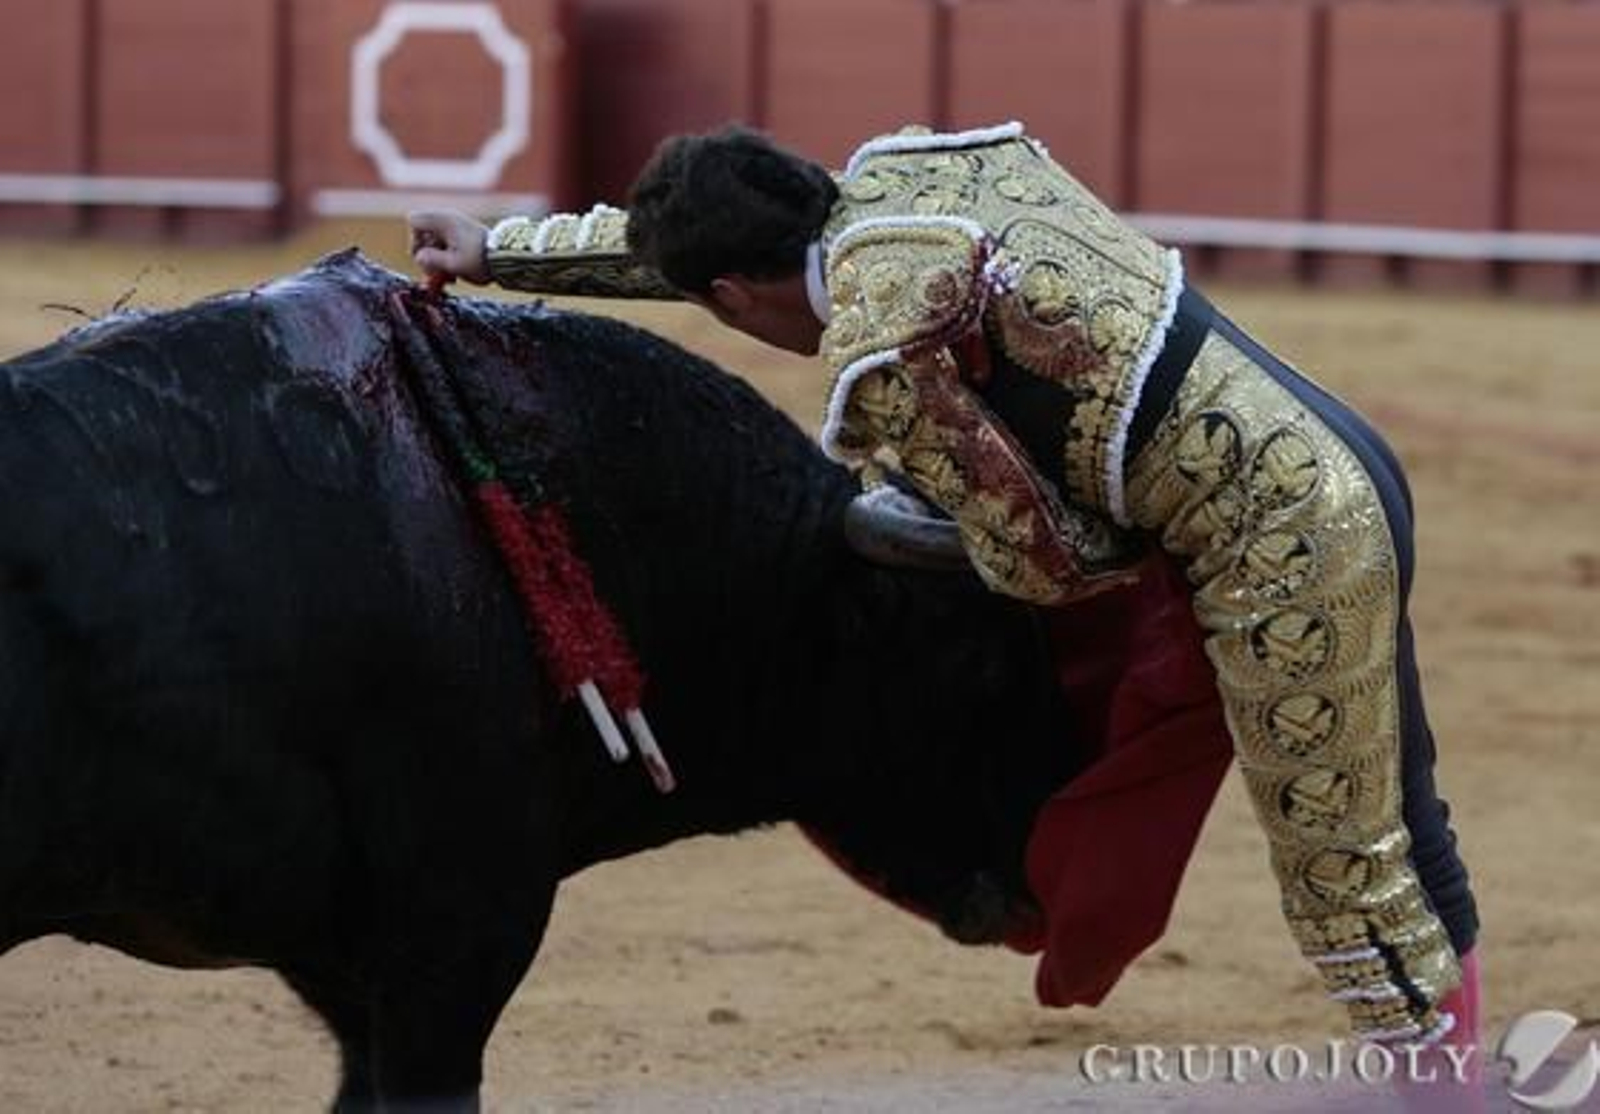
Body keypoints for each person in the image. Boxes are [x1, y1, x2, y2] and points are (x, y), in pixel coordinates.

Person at [408, 122, 1480, 1052]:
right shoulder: (897, 186)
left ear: (731, 299)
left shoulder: (890, 360)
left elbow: (1049, 565)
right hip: (1339, 457)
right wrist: (501, 250)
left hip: (1281, 540)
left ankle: (1437, 1095)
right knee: (1398, 819)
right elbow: (702, 252)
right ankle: (1459, 1065)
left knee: (1344, 871)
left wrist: (959, 524)